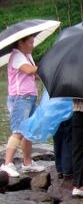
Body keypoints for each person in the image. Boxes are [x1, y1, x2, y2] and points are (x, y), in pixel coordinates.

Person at [2, 35, 44, 177]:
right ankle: (7, 164)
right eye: (30, 42)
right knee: (19, 131)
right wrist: (45, 67)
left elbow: (34, 75)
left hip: (29, 97)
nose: (32, 45)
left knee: (28, 131)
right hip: (20, 98)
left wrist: (42, 73)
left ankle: (27, 162)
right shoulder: (17, 56)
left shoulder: (27, 56)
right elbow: (29, 70)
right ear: (21, 42)